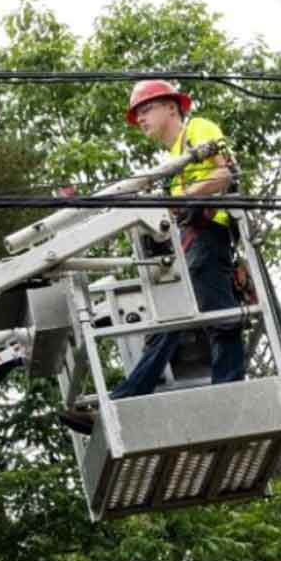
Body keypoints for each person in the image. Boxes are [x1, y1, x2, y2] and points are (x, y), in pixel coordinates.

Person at [62, 80, 243, 436]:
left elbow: (224, 174)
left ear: (171, 107)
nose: (141, 120)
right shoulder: (172, 160)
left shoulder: (197, 130)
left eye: (146, 110)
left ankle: (229, 397)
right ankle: (123, 402)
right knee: (171, 324)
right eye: (138, 114)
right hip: (191, 245)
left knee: (220, 321)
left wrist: (183, 198)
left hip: (209, 238)